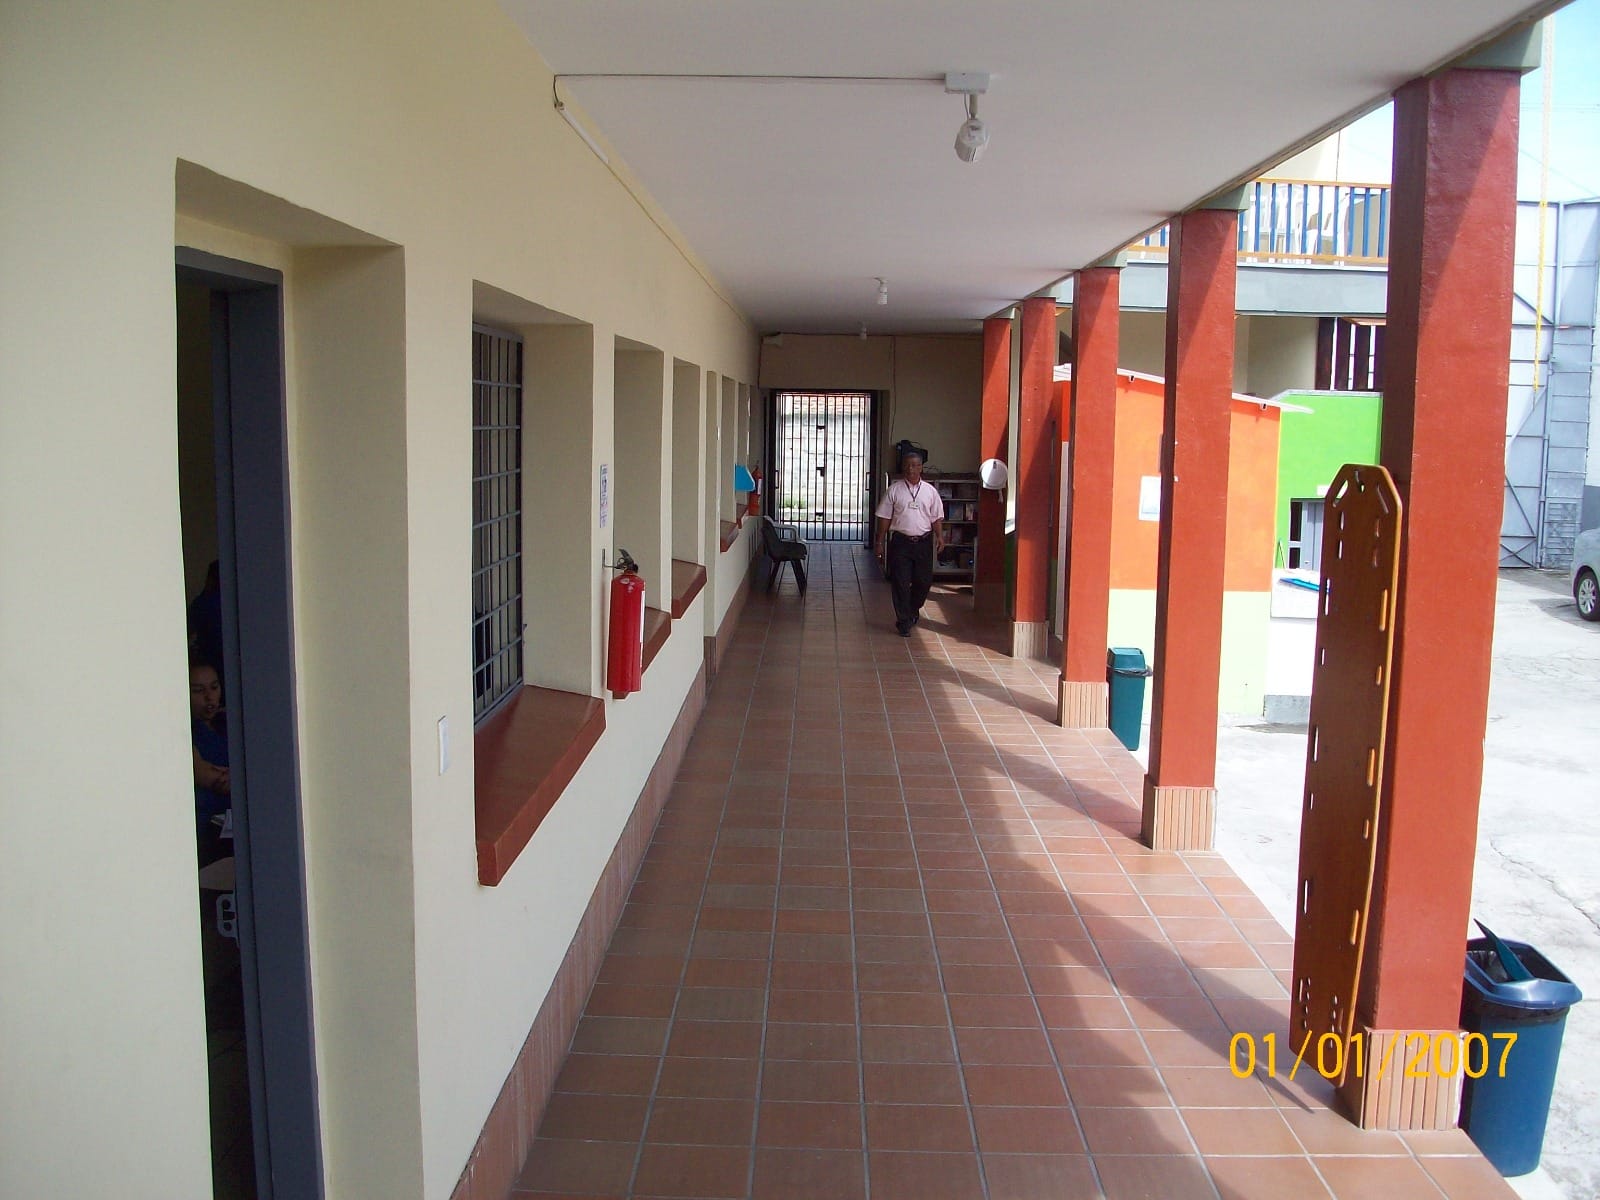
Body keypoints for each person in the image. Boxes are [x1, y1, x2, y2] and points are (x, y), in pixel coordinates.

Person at [875, 448, 945, 636]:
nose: (910, 469)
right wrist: (879, 542)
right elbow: (884, 517)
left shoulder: (930, 491)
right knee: (900, 582)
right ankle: (904, 621)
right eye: (907, 466)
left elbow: (936, 517)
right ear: (903, 468)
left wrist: (940, 536)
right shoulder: (894, 490)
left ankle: (913, 609)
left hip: (923, 542)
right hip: (901, 543)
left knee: (923, 582)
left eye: (914, 465)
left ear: (921, 467)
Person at [190, 654, 231, 865]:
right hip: (205, 836)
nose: (209, 697)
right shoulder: (186, 731)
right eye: (198, 691)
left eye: (214, 688)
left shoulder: (229, 723)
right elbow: (209, 777)